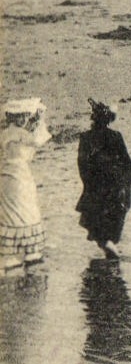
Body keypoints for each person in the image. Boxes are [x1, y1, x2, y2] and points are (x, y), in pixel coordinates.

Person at [77, 101, 131, 259]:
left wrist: (89, 185)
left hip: (96, 190)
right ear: (110, 119)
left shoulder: (85, 138)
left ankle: (110, 259)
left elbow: (82, 165)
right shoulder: (115, 136)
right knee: (113, 227)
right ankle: (113, 260)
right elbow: (126, 161)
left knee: (99, 232)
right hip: (117, 189)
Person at [1, 99, 49, 276]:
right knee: (27, 211)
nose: (24, 119)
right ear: (16, 117)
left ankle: (11, 256)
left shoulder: (4, 134)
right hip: (21, 176)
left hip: (6, 176)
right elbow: (39, 139)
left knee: (10, 213)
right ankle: (31, 253)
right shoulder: (21, 134)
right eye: (22, 116)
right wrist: (40, 120)